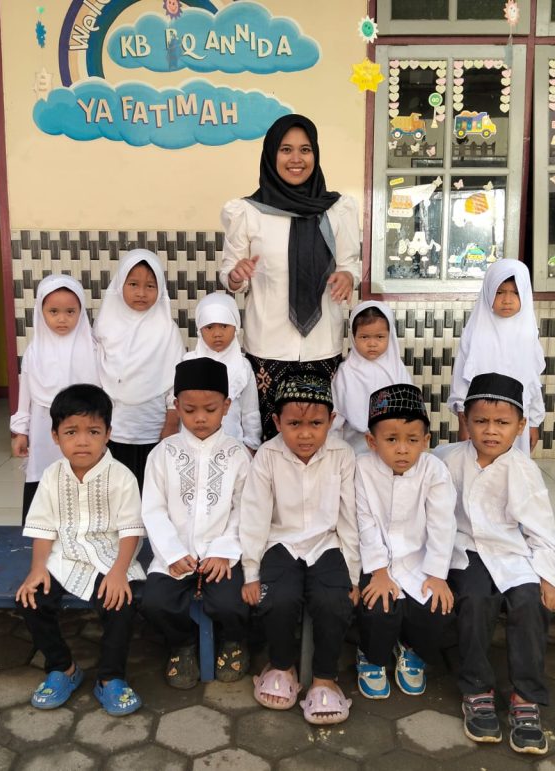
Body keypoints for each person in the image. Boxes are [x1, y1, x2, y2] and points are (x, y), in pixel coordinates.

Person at [433, 372, 555, 755]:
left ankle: (526, 695)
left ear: (520, 426)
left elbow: (542, 531)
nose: (491, 431)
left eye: (502, 423)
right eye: (481, 421)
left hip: (509, 552)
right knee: (475, 599)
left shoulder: (523, 470)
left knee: (529, 602)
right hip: (462, 550)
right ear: (465, 421)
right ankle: (476, 689)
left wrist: (547, 577)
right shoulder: (445, 459)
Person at [220, 114, 361, 440]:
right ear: (271, 155)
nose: (296, 159)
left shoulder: (337, 210)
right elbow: (230, 273)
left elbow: (350, 264)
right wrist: (237, 275)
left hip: (321, 346)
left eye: (305, 150)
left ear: (315, 154)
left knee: (317, 440)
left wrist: (347, 277)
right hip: (268, 346)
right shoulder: (248, 212)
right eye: (286, 149)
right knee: (270, 441)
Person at [16, 384, 145, 716]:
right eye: (71, 432)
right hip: (64, 557)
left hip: (110, 558)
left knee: (122, 603)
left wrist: (119, 573)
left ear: (108, 434)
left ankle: (110, 677)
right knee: (31, 599)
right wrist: (37, 568)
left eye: (93, 431)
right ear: (55, 436)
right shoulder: (51, 476)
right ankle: (63, 668)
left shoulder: (122, 477)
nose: (83, 441)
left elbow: (131, 530)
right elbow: (43, 527)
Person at [239, 373, 359, 726]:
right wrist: (251, 572)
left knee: (333, 600)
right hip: (281, 542)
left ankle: (325, 678)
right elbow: (255, 516)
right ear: (277, 422)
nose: (305, 434)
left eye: (315, 424)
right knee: (278, 598)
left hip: (327, 543)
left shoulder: (342, 455)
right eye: (294, 424)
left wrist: (353, 575)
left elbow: (350, 517)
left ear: (331, 421)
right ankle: (281, 666)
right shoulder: (267, 456)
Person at [141, 358, 252, 689]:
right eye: (190, 410)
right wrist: (172, 552)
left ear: (226, 406)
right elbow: (153, 509)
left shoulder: (238, 455)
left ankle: (233, 641)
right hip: (176, 554)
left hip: (222, 555)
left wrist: (224, 550)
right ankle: (182, 644)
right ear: (177, 407)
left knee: (232, 602)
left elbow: (245, 509)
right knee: (154, 602)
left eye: (210, 409)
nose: (200, 418)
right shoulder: (162, 454)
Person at [355, 383, 457, 701]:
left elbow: (442, 524)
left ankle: (411, 649)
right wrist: (378, 571)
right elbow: (364, 523)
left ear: (426, 441)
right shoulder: (361, 468)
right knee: (378, 606)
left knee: (437, 608)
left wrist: (437, 574)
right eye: (391, 440)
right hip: (374, 560)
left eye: (412, 440)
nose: (402, 449)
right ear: (371, 442)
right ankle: (371, 656)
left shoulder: (434, 471)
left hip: (419, 560)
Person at [92, 248, 186, 491]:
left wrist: (171, 424)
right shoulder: (105, 327)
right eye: (133, 284)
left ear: (161, 289)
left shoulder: (167, 330)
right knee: (117, 492)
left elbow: (177, 382)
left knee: (152, 492)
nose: (141, 293)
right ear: (120, 285)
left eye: (150, 286)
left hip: (153, 429)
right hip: (113, 429)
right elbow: (96, 378)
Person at [10, 275, 98, 525]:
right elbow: (25, 395)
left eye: (70, 311)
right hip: (44, 429)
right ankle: (43, 531)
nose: (62, 319)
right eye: (53, 311)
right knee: (46, 475)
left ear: (81, 312)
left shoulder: (92, 349)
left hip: (83, 428)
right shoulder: (34, 352)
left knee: (83, 475)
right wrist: (21, 431)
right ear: (41, 312)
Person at [447, 260, 545, 454]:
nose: (507, 300)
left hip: (515, 421)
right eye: (499, 292)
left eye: (515, 293)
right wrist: (463, 422)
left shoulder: (528, 334)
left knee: (512, 467)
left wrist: (534, 422)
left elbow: (533, 382)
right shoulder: (475, 332)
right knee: (478, 465)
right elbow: (460, 380)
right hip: (480, 421)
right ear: (488, 291)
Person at [183, 292, 262, 451]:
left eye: (224, 326)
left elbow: (250, 412)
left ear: (236, 327)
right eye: (209, 327)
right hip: (193, 448)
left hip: (233, 449)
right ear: (199, 330)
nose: (217, 334)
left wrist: (251, 446)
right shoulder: (188, 363)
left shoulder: (243, 366)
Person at [332, 301, 413, 455]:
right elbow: (336, 418)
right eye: (364, 337)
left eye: (380, 337)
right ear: (353, 337)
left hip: (394, 449)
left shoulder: (397, 369)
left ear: (390, 336)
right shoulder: (346, 372)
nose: (372, 344)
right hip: (355, 450)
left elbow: (410, 408)